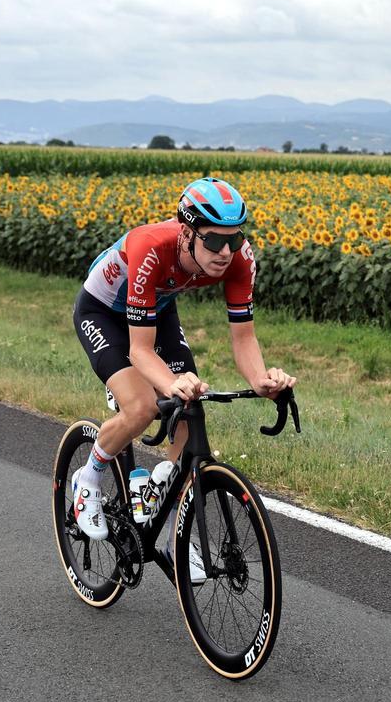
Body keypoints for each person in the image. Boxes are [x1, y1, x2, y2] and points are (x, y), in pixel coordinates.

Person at [70, 176, 296, 576]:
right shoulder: (151, 247)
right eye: (213, 241)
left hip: (157, 307)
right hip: (103, 313)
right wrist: (169, 383)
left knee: (190, 411)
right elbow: (139, 350)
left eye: (234, 238)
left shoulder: (240, 258)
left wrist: (262, 381)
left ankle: (169, 517)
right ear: (187, 234)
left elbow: (243, 338)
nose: (226, 251)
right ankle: (87, 479)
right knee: (141, 407)